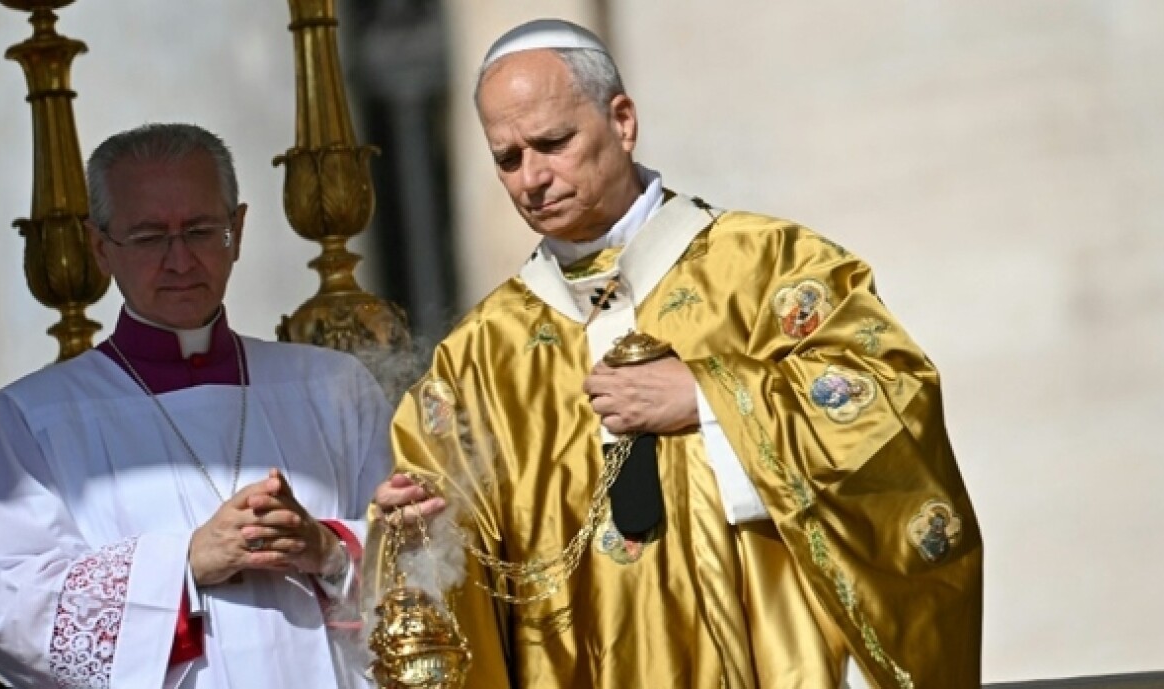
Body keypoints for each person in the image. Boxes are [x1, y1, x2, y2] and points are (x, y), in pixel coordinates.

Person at [370, 18, 983, 689]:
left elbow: (893, 402)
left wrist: (707, 398)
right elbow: (448, 550)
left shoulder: (767, 268)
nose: (532, 179)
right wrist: (422, 531)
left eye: (553, 143)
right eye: (508, 158)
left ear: (623, 121)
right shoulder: (482, 355)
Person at [0, 123, 392, 688]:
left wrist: (330, 550)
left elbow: (429, 568)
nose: (180, 260)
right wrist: (184, 564)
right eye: (147, 238)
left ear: (236, 231)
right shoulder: (35, 417)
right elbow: (10, 609)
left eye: (199, 230)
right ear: (100, 248)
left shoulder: (333, 388)